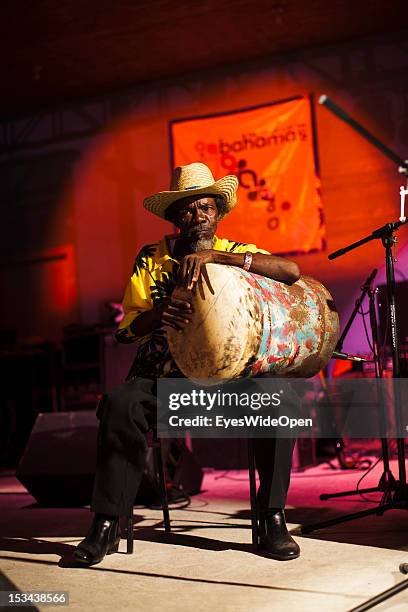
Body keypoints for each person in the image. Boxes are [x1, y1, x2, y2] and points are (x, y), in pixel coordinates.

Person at [73, 162, 301, 566]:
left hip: (226, 384)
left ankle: (272, 517)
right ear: (176, 217)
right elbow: (125, 330)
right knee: (121, 403)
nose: (199, 217)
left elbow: (291, 271)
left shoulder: (233, 253)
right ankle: (106, 524)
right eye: (189, 210)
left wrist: (221, 259)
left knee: (279, 404)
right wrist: (159, 313)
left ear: (218, 212)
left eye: (206, 208)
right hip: (163, 380)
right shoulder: (151, 259)